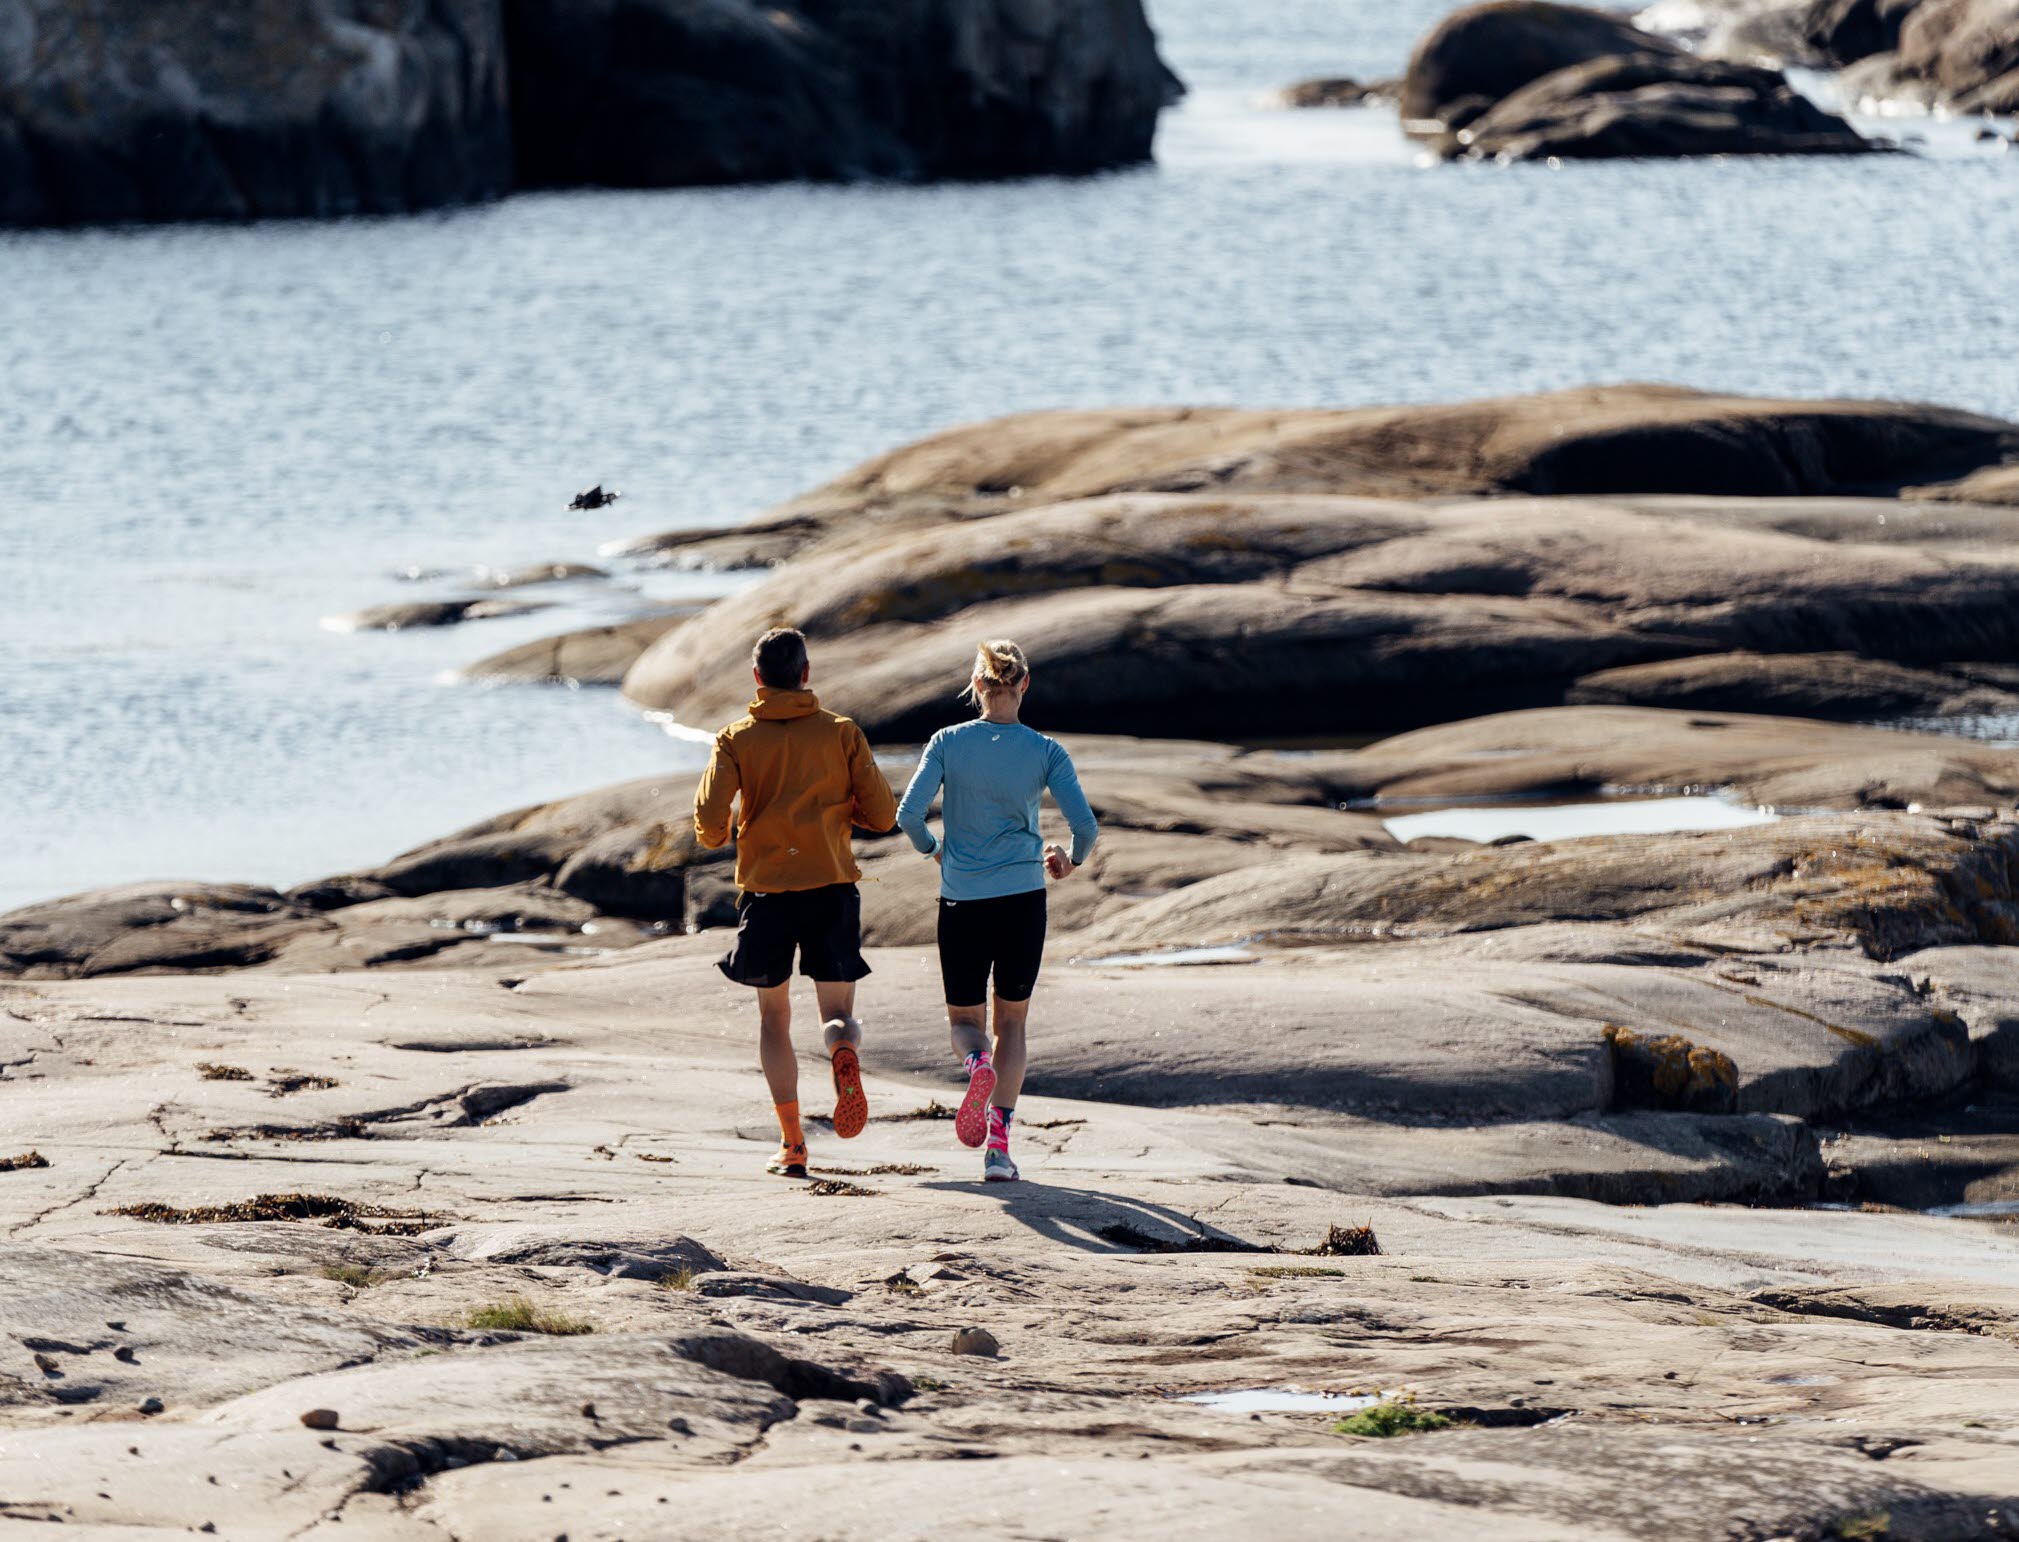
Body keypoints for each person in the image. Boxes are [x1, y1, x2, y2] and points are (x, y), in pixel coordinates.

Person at [694, 626, 898, 1178]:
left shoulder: (736, 738)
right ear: (806, 674)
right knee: (836, 1015)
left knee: (774, 1019)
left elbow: (711, 825)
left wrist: (728, 831)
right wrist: (841, 815)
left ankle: (793, 1145)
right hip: (831, 885)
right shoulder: (841, 732)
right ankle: (841, 1052)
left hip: (767, 893)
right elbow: (882, 816)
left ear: (758, 678)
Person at [894, 639, 1098, 1183]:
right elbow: (1086, 830)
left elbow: (908, 815)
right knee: (1013, 1022)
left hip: (962, 900)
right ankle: (1000, 1150)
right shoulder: (1045, 750)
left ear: (977, 685)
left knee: (966, 1023)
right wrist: (1068, 860)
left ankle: (975, 1065)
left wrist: (935, 851)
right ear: (1024, 684)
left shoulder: (947, 741)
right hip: (1023, 901)